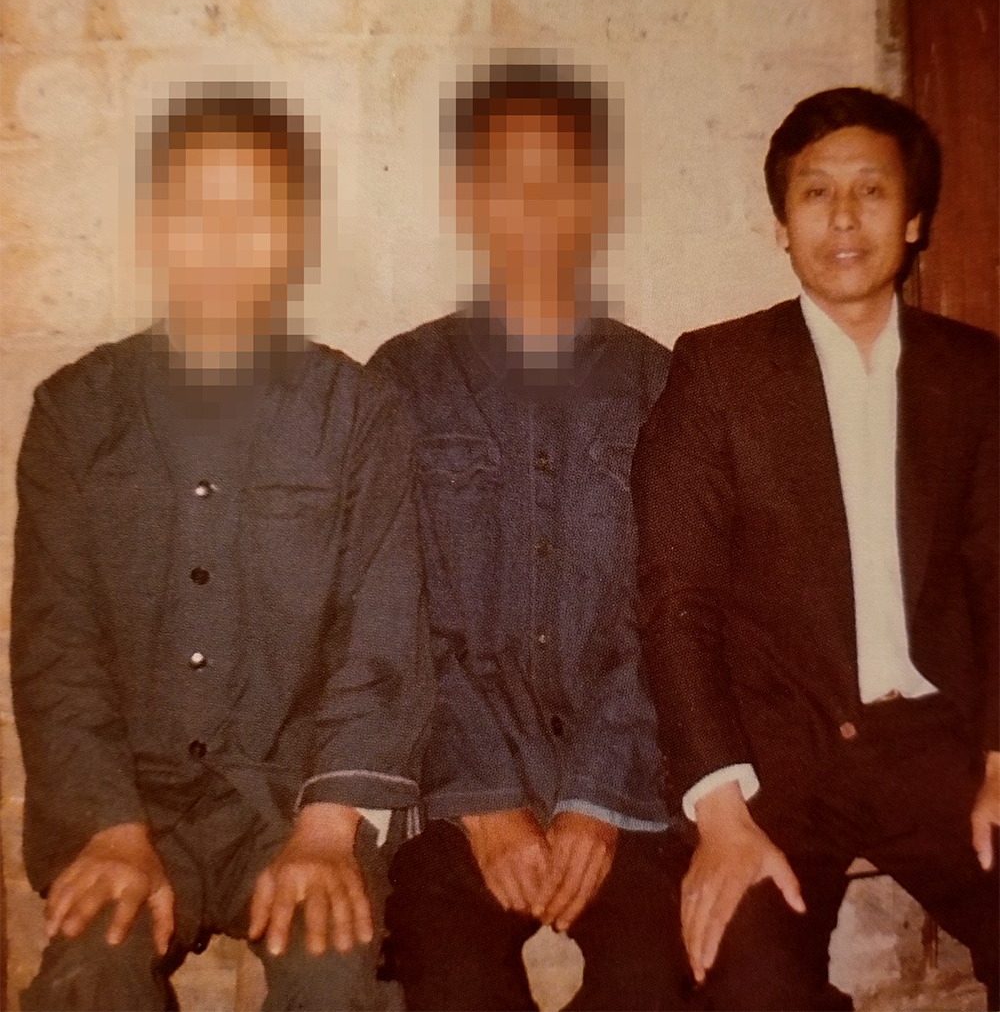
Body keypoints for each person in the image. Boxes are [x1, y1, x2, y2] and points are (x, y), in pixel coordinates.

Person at [11, 82, 433, 1011]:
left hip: (295, 802)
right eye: (196, 212)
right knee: (88, 979)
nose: (223, 243)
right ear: (154, 229)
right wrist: (108, 827)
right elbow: (57, 651)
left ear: (294, 239)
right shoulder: (74, 414)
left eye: (255, 214)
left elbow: (383, 647)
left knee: (337, 981)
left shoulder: (358, 414)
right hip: (125, 800)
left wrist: (329, 829)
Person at [632, 86, 999, 1012]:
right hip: (774, 764)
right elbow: (677, 598)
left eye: (871, 191)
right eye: (814, 193)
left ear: (913, 218)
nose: (843, 217)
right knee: (747, 981)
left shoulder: (976, 373)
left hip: (942, 751)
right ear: (781, 226)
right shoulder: (717, 372)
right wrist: (720, 813)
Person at [370, 59, 688, 1011]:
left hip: (626, 792)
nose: (535, 208)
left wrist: (597, 803)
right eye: (508, 181)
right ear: (470, 203)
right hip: (461, 799)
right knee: (450, 981)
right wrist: (483, 803)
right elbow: (396, 614)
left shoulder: (661, 382)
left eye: (561, 180)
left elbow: (669, 613)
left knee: (655, 982)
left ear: (596, 202)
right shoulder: (405, 378)